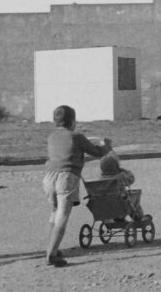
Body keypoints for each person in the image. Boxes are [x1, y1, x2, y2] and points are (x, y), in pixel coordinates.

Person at [43, 105, 111, 267]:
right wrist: (107, 145)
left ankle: (50, 247)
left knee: (54, 212)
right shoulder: (77, 136)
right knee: (62, 215)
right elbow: (96, 152)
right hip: (66, 177)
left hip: (49, 177)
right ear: (73, 122)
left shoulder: (51, 137)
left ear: (55, 121)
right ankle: (51, 254)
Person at [98, 151, 148, 221]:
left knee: (119, 200)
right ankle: (138, 217)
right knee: (134, 198)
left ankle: (118, 218)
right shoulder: (120, 176)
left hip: (107, 206)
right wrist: (123, 170)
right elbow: (131, 178)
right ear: (116, 166)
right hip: (121, 204)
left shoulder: (101, 179)